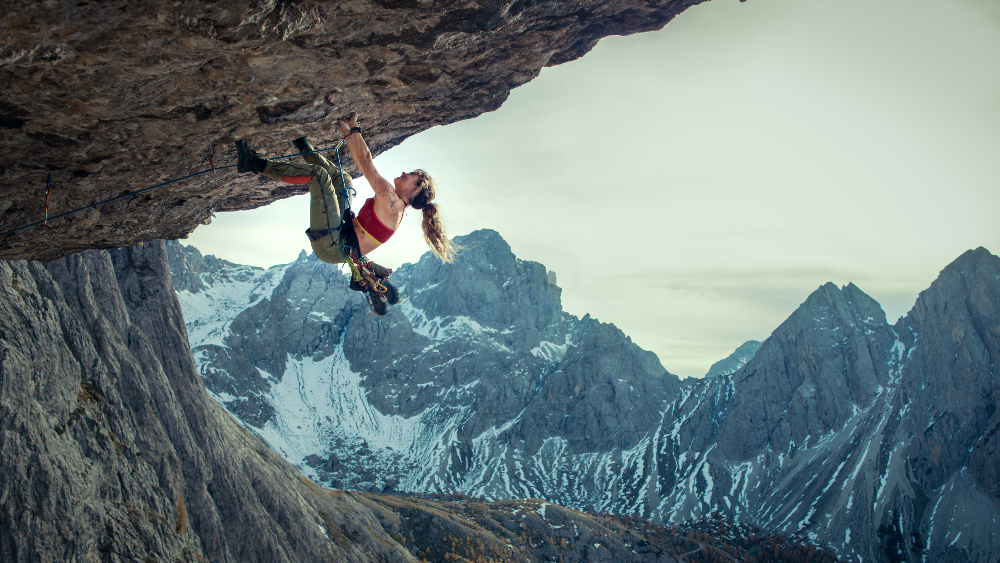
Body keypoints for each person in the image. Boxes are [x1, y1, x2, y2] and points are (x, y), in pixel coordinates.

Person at [234, 111, 458, 315]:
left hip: (331, 244)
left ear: (416, 189)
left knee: (318, 177)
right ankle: (300, 143)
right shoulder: (396, 207)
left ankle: (253, 163)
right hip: (340, 238)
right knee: (344, 180)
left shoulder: (391, 200)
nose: (404, 172)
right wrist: (352, 131)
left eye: (411, 175)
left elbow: (365, 161)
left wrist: (353, 129)